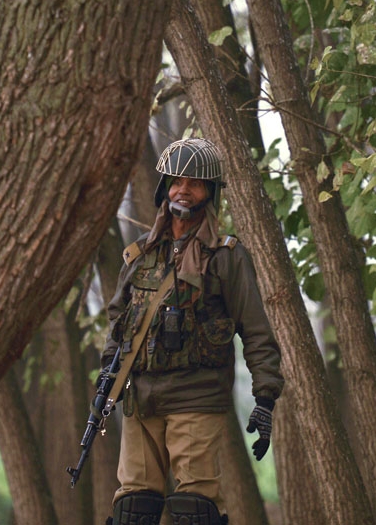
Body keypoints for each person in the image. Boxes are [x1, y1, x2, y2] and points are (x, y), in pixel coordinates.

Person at [102, 137, 284, 525]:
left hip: (197, 397)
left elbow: (256, 332)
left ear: (210, 192)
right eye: (176, 181)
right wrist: (108, 376)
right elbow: (118, 323)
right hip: (141, 400)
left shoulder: (226, 257)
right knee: (132, 510)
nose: (183, 189)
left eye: (194, 182)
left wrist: (265, 399)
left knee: (195, 511)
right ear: (164, 188)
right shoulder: (141, 255)